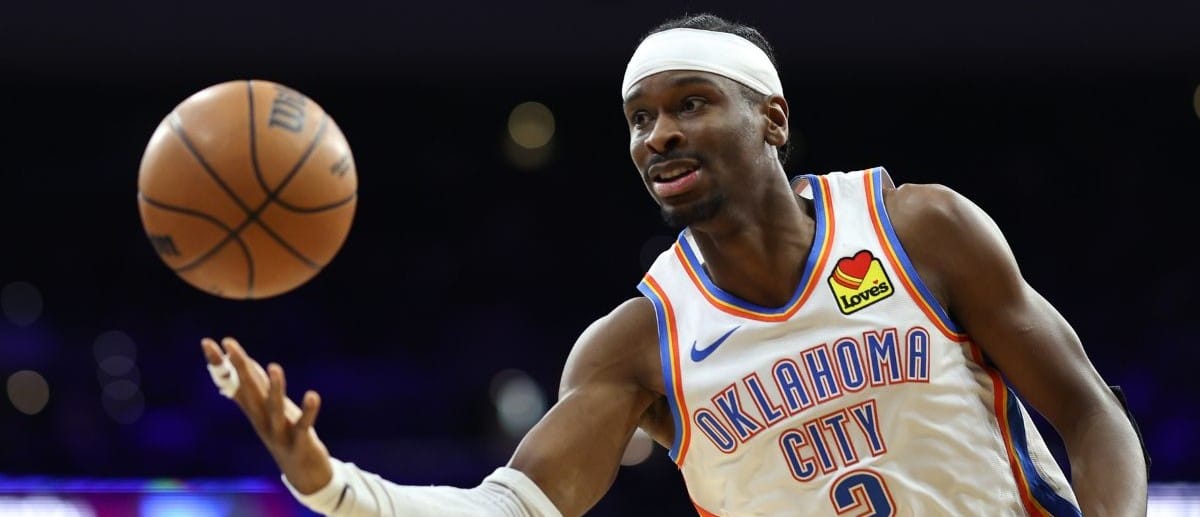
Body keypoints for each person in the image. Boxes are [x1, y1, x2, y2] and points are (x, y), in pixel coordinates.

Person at [200, 12, 1149, 517]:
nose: (659, 134)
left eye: (691, 103)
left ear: (771, 119)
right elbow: (515, 506)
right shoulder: (637, 342)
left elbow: (1087, 409)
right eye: (640, 118)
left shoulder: (918, 228)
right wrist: (334, 483)